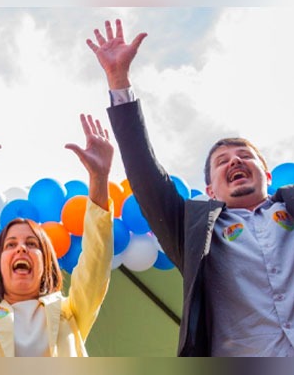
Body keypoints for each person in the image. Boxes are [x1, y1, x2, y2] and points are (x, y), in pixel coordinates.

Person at [87, 19, 294, 356]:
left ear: (267, 175)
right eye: (222, 161)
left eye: (244, 155)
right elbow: (146, 176)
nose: (234, 162)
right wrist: (119, 82)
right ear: (210, 190)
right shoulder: (196, 234)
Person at [0, 111, 113, 356]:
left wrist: (100, 178)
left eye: (32, 243)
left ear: (47, 262)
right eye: (10, 244)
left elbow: (97, 261)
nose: (21, 248)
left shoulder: (69, 313)